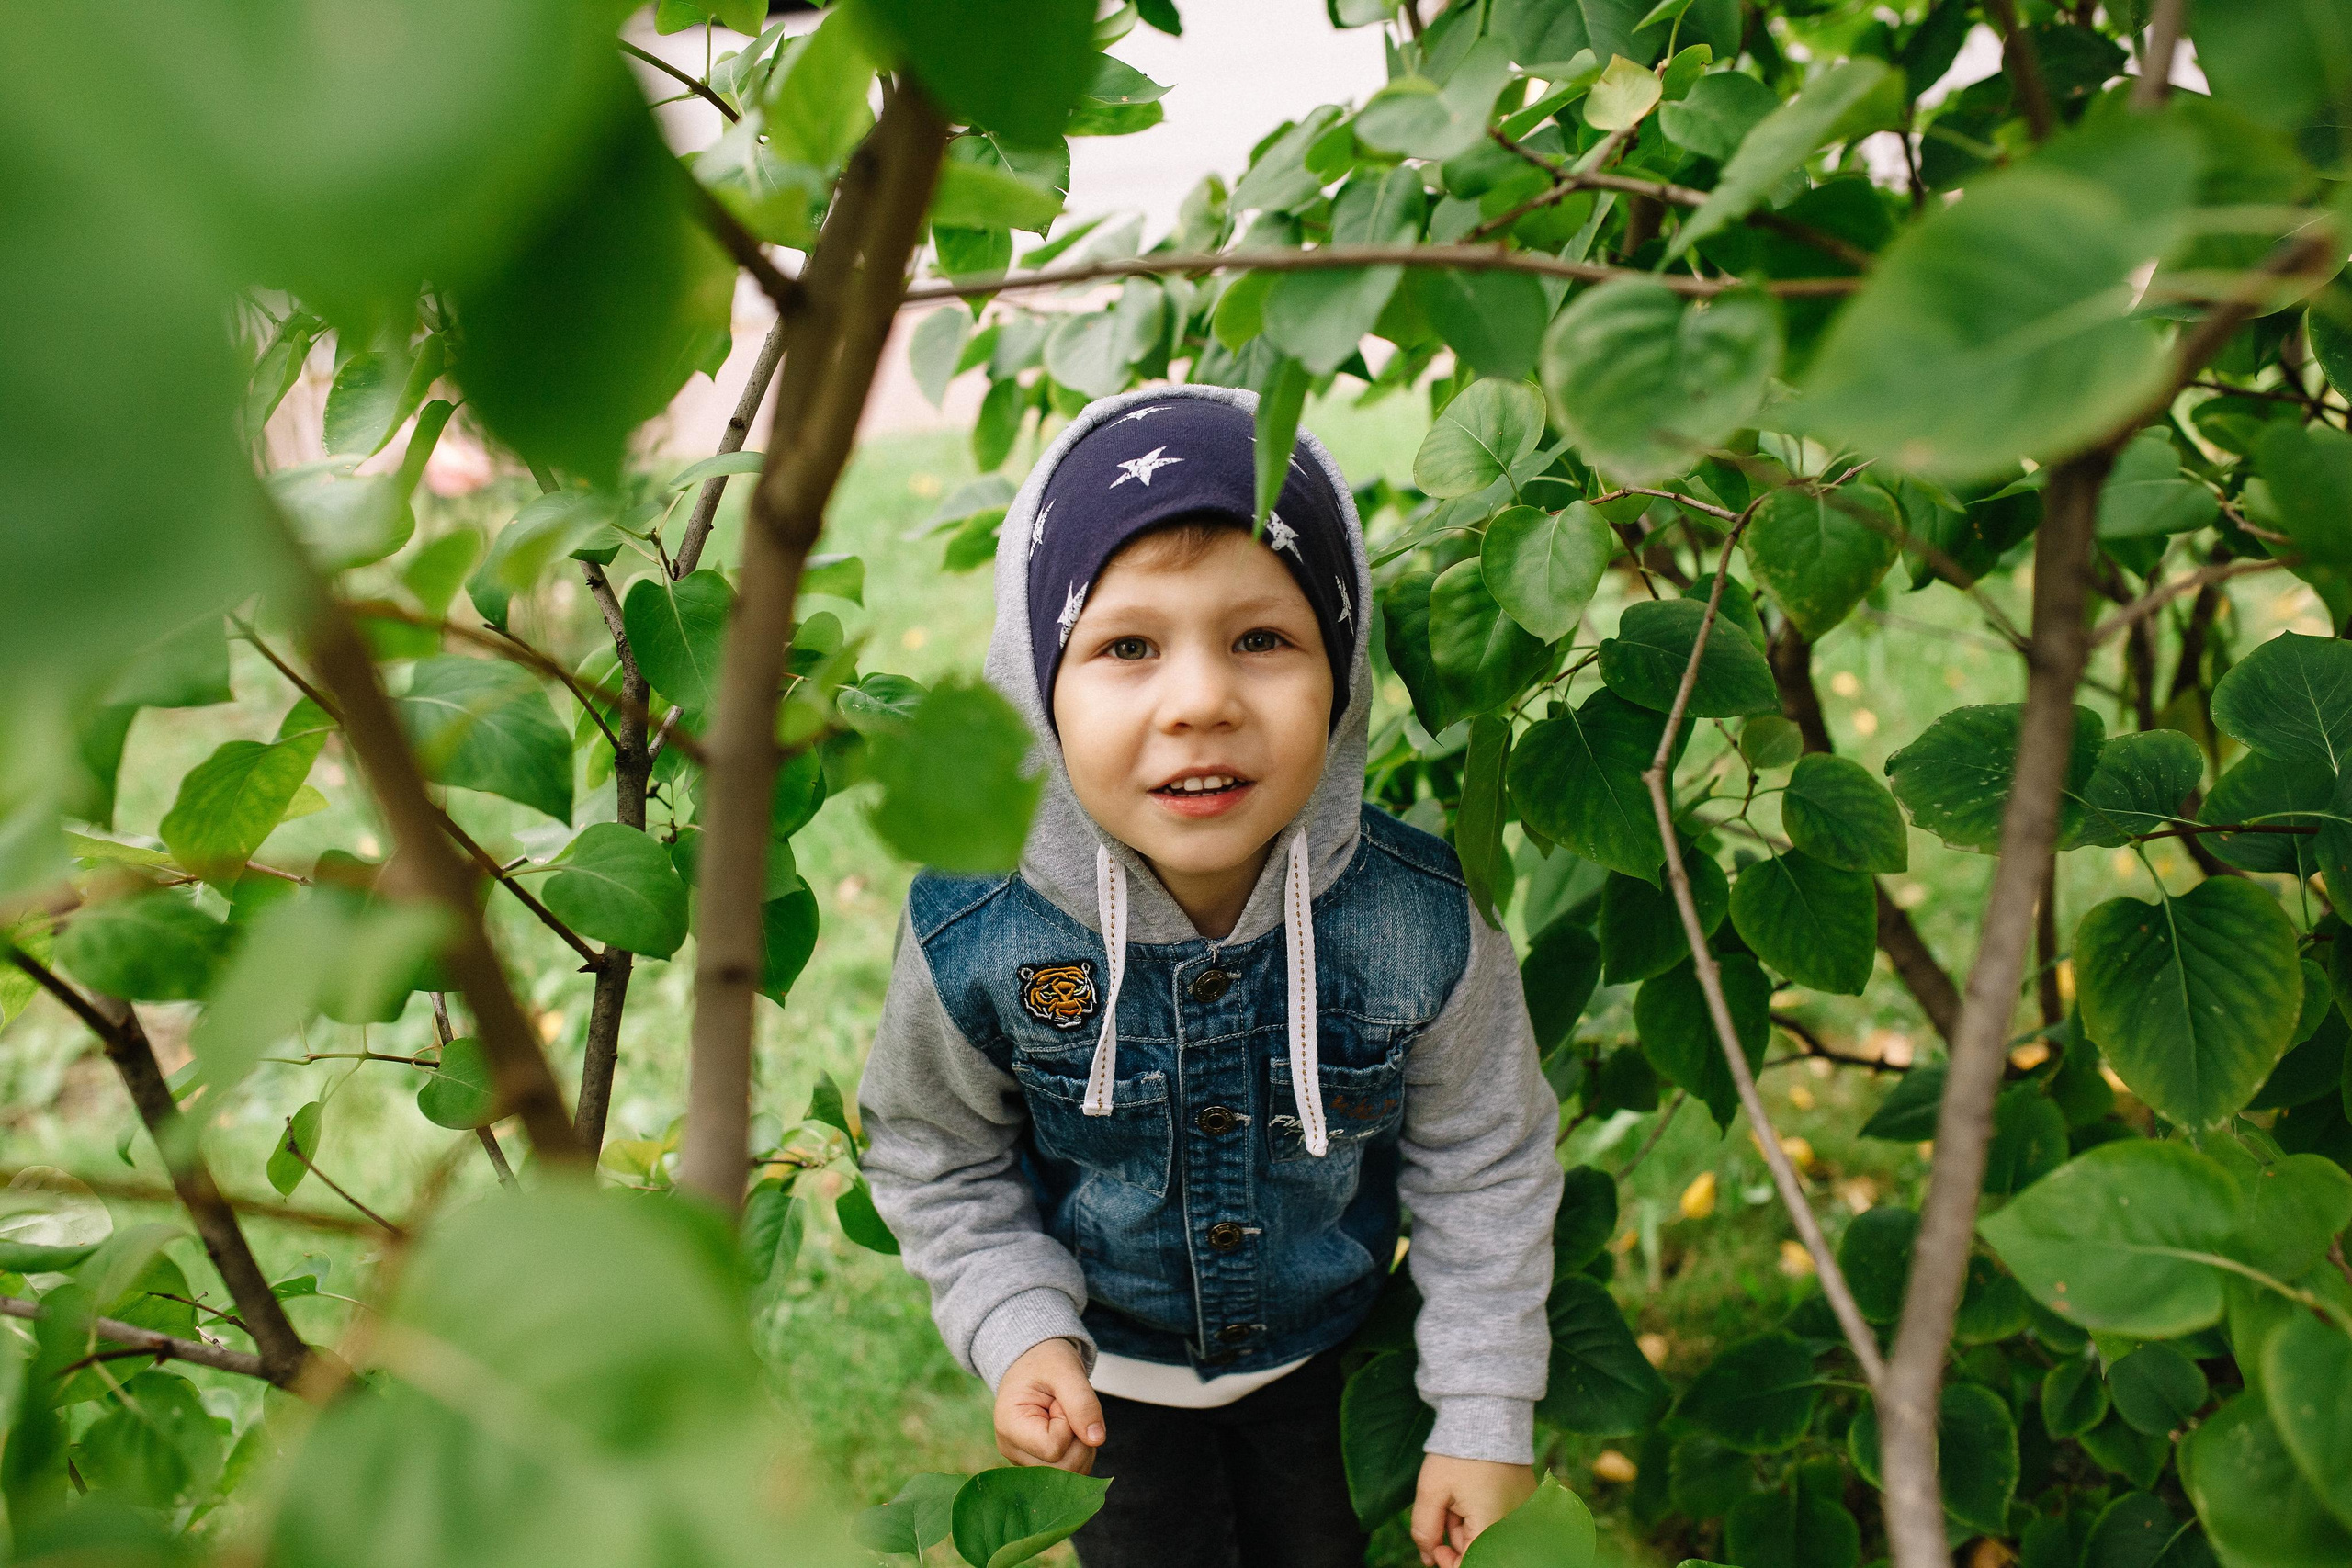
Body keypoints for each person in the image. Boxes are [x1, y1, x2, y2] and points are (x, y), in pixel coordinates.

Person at [857, 386, 1562, 1568]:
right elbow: (935, 1151)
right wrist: (1018, 1325)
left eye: (1261, 640)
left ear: (1341, 674)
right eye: (1127, 646)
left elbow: (1485, 1157)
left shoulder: (1423, 920)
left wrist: (1484, 1414)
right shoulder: (979, 932)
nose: (1199, 703)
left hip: (1333, 1359)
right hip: (1105, 1382)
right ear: (1037, 684)